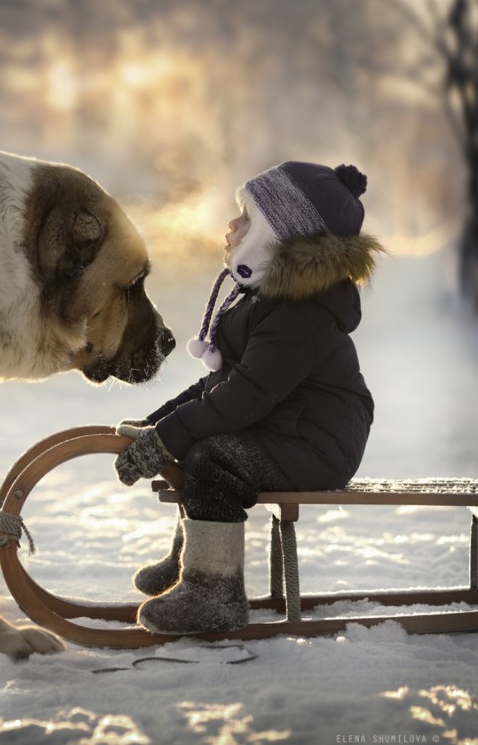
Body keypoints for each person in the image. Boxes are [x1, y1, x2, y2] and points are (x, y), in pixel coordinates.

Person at [114, 161, 385, 635]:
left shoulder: (298, 315)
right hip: (288, 427)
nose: (231, 226)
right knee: (202, 447)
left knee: (214, 458)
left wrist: (171, 437)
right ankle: (193, 564)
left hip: (318, 442)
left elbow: (243, 399)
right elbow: (218, 387)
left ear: (275, 236)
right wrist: (160, 424)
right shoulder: (265, 299)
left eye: (246, 218)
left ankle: (212, 591)